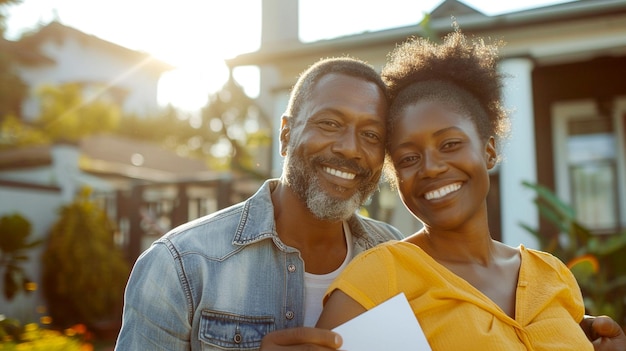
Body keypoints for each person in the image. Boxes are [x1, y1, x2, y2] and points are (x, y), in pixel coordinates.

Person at [317, 29, 626, 350]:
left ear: (489, 150)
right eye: (409, 157)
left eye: (450, 144)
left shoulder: (551, 273)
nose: (432, 167)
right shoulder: (381, 276)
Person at [114, 56, 404, 350]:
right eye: (329, 124)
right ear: (286, 133)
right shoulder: (181, 264)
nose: (350, 148)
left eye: (371, 134)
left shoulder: (397, 255)